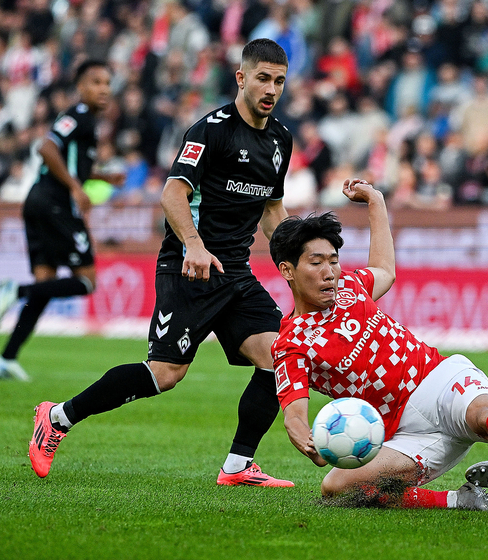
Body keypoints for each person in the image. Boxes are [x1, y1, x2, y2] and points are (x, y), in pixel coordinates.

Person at [28, 39, 295, 487]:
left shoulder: (280, 140)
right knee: (166, 374)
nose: (271, 89)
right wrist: (192, 243)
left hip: (235, 273)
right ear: (241, 78)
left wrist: (295, 261)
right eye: (263, 78)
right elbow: (172, 193)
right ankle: (56, 417)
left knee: (280, 354)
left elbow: (272, 210)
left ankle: (237, 465)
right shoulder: (209, 131)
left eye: (280, 81)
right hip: (187, 267)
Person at [268, 178, 488, 510]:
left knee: (483, 415)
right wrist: (305, 437)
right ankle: (459, 500)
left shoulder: (352, 287)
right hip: (402, 434)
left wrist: (376, 201)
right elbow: (295, 413)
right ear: (287, 270)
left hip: (436, 381)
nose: (330, 272)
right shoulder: (291, 344)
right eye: (316, 263)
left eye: (333, 260)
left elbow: (385, 268)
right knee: (337, 487)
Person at [0, 60, 124, 381]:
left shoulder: (86, 122)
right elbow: (46, 147)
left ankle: (8, 357)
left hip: (38, 202)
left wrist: (102, 177)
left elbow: (70, 161)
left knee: (46, 283)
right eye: (96, 82)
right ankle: (16, 289)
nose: (104, 89)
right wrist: (76, 188)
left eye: (107, 83)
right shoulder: (78, 115)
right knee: (86, 281)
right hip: (56, 205)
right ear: (80, 87)